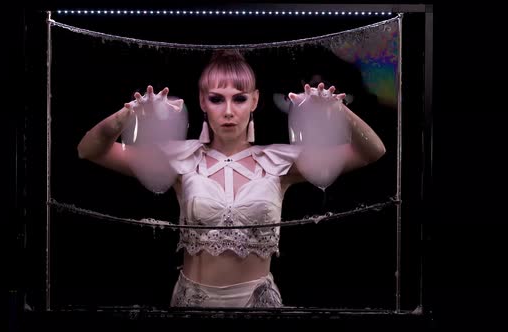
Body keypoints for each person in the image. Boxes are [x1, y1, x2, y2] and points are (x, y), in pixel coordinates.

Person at [77, 50, 386, 308]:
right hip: (191, 305)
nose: (228, 111)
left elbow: (372, 151)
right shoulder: (180, 159)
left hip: (257, 305)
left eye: (239, 99)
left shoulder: (278, 162)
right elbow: (89, 150)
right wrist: (128, 113)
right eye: (216, 98)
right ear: (202, 101)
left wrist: (337, 109)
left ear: (254, 101)